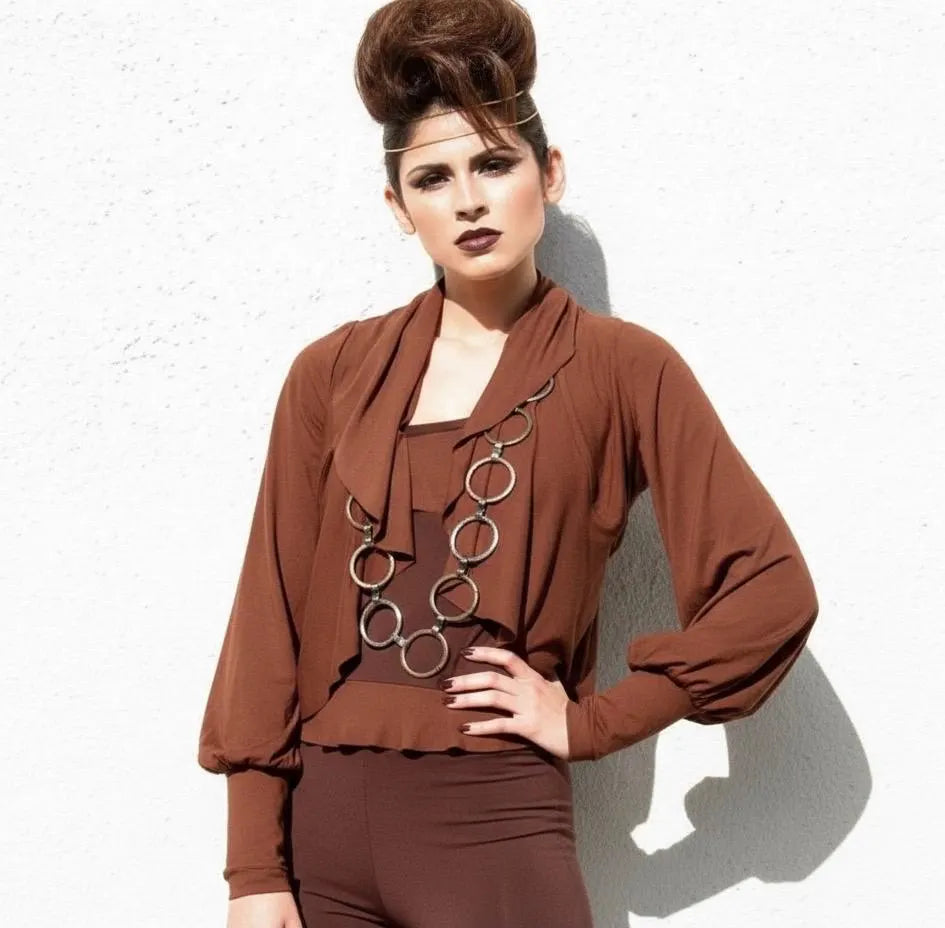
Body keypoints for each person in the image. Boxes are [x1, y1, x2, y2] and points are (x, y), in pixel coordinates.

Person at [197, 1, 820, 926]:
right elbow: (268, 614)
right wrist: (253, 868)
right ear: (398, 207)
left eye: (493, 163)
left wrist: (594, 720)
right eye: (432, 177)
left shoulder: (623, 367)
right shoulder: (330, 373)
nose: (468, 200)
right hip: (319, 837)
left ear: (548, 172)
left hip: (494, 821)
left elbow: (768, 590)